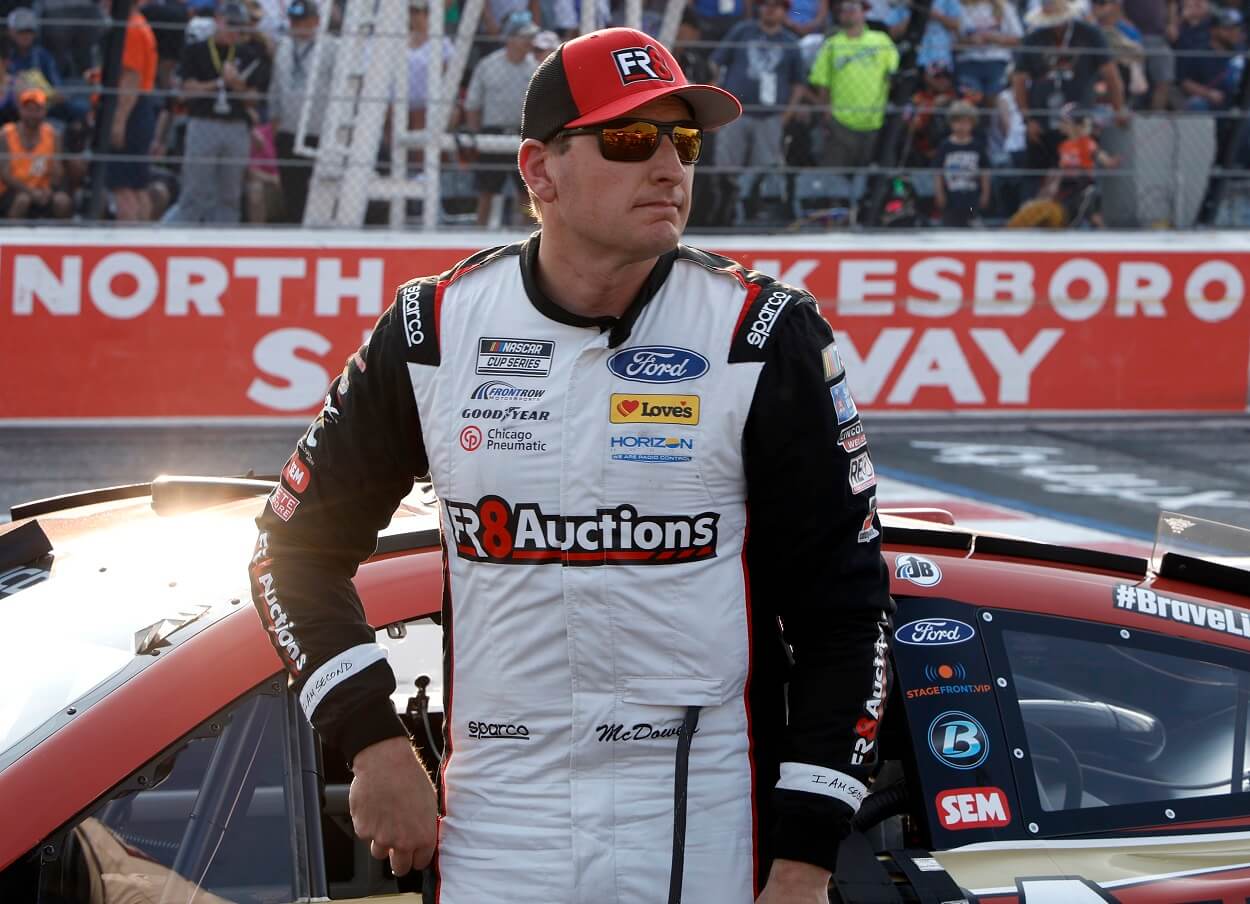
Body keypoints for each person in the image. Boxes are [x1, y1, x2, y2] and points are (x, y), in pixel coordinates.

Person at [250, 25, 893, 904]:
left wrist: (805, 857)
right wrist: (371, 740)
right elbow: (289, 555)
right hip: (496, 815)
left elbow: (847, 616)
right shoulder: (430, 332)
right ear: (538, 171)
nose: (669, 167)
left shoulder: (762, 336)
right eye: (631, 140)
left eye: (685, 140)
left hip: (705, 813)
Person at [167, 1, 270, 223]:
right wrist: (218, 83)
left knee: (230, 194)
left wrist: (237, 85)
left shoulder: (248, 54)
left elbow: (254, 99)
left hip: (235, 126)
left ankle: (223, 240)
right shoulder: (196, 50)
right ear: (217, 21)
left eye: (239, 27)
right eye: (230, 25)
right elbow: (187, 90)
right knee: (196, 191)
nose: (235, 32)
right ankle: (182, 237)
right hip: (204, 122)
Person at [1012, 0, 1126, 197]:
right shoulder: (1033, 38)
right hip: (1042, 118)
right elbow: (1019, 80)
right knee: (1034, 172)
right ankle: (1028, 215)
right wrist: (1027, 118)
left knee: (1080, 172)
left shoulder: (1090, 34)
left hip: (1078, 119)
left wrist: (1119, 108)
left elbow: (1110, 73)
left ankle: (1081, 215)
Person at [711, 0, 807, 222]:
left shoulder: (790, 42)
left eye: (776, 5)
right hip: (735, 112)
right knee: (725, 167)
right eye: (765, 4)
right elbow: (718, 64)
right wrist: (716, 104)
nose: (770, 9)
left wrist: (786, 115)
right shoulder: (743, 31)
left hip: (771, 116)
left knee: (764, 169)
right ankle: (723, 214)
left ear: (784, 11)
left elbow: (798, 83)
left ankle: (753, 214)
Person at [462, 9, 536, 225]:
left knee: (527, 195)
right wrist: (477, 137)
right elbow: (473, 105)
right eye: (526, 37)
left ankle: (529, 239)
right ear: (511, 39)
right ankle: (478, 236)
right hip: (491, 133)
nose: (530, 42)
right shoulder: (488, 65)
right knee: (486, 191)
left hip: (523, 133)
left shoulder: (535, 68)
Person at [808, 0, 899, 169]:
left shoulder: (881, 41)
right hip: (840, 123)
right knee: (834, 178)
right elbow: (822, 82)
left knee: (871, 179)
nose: (848, 12)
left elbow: (893, 76)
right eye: (843, 9)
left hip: (875, 122)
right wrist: (826, 114)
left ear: (864, 12)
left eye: (853, 8)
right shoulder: (832, 44)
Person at [269, 0, 336, 222]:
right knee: (291, 185)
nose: (297, 25)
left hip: (319, 130)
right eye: (294, 20)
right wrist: (274, 116)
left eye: (302, 20)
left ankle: (320, 225)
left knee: (319, 187)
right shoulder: (284, 46)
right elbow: (276, 85)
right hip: (288, 128)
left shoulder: (331, 47)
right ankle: (294, 226)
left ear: (316, 21)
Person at [105, 0, 159, 221]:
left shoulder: (131, 29)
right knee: (137, 185)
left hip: (132, 110)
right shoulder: (140, 24)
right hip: (141, 106)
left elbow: (131, 78)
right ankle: (142, 241)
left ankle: (127, 242)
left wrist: (118, 121)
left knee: (123, 187)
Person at [0, 88, 72, 219]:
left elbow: (57, 171)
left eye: (37, 109)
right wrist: (30, 192)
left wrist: (49, 190)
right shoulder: (6, 134)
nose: (32, 114)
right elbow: (5, 174)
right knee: (23, 200)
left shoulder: (53, 135)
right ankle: (12, 237)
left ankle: (60, 237)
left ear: (44, 111)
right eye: (28, 109)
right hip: (12, 191)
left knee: (62, 201)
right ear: (20, 111)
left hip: (43, 190)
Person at [934, 98, 990, 224]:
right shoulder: (945, 146)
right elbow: (938, 172)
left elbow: (985, 171)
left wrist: (985, 193)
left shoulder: (977, 146)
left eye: (965, 123)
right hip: (951, 196)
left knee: (971, 221)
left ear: (972, 123)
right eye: (957, 122)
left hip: (971, 196)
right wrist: (939, 193)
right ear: (951, 123)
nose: (961, 127)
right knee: (950, 224)